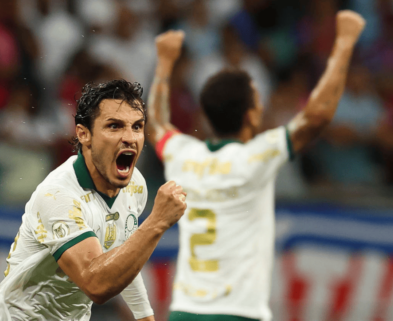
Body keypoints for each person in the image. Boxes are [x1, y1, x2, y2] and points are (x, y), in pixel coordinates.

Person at [146, 11, 365, 321]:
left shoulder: (183, 155)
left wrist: (164, 62)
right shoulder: (256, 158)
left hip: (186, 311)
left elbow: (154, 123)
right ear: (250, 116)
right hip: (239, 312)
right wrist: (344, 43)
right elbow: (316, 117)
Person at [0, 80, 187, 321]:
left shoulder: (135, 185)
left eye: (137, 126)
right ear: (83, 133)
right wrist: (157, 222)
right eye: (114, 126)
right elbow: (95, 283)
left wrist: (145, 317)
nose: (130, 137)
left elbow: (124, 257)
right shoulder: (58, 195)